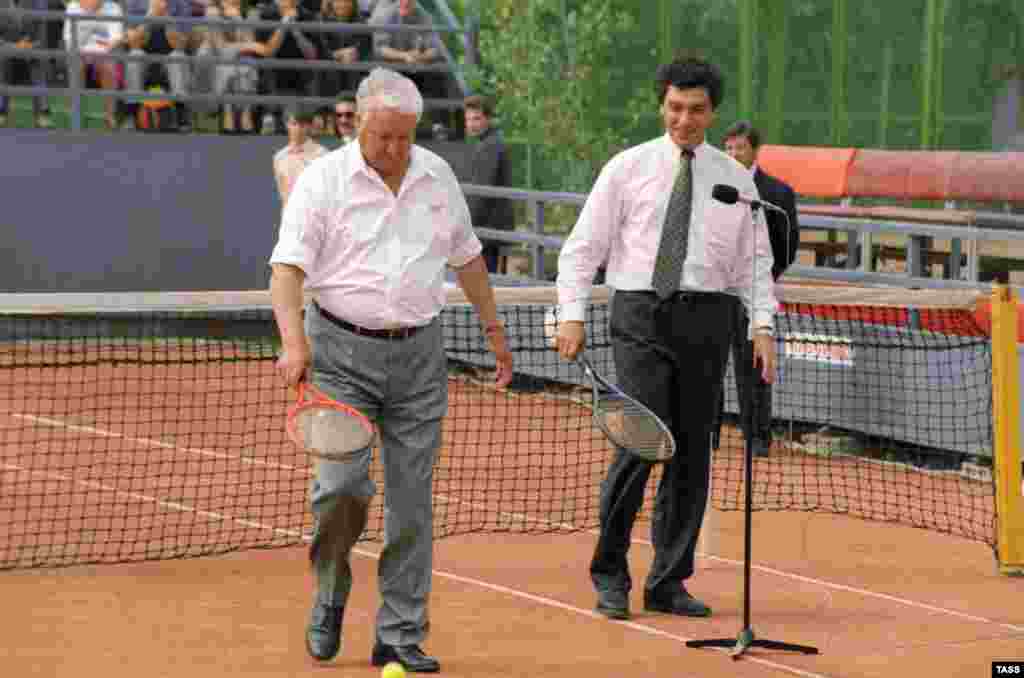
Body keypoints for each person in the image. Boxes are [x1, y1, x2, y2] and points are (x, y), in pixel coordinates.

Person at [269, 67, 513, 673]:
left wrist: (495, 331)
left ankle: (400, 634)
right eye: (384, 137)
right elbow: (287, 271)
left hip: (420, 358)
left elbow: (470, 258)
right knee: (340, 490)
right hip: (338, 355)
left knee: (412, 503)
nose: (396, 149)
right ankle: (329, 589)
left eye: (405, 137)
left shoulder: (436, 176)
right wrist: (293, 344)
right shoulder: (322, 181)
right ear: (358, 123)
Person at [554, 57, 777, 621]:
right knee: (640, 442)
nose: (685, 119)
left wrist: (763, 326)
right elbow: (582, 249)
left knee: (693, 454)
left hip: (709, 320)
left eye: (696, 109)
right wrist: (571, 315)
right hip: (639, 314)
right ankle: (610, 574)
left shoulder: (735, 178)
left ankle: (668, 581)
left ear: (712, 112)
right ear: (662, 105)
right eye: (675, 108)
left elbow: (755, 262)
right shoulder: (626, 169)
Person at [722, 120, 800, 457]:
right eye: (728, 147)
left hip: (753, 293)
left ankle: (757, 437)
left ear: (754, 149)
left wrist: (762, 279)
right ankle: (706, 435)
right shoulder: (713, 186)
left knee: (752, 363)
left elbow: (787, 246)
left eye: (739, 147)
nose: (733, 153)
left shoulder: (778, 193)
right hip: (713, 291)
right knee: (706, 365)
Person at [463, 95, 513, 274]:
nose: (471, 124)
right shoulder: (488, 143)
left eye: (476, 119)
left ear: (488, 119)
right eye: (468, 119)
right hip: (488, 232)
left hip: (488, 233)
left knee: (486, 284)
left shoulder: (490, 146)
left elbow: (481, 193)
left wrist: (464, 227)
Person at [63, 0, 124, 129]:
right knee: (75, 64)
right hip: (79, 51)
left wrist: (105, 49)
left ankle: (110, 115)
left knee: (109, 66)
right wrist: (82, 52)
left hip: (104, 52)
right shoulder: (72, 7)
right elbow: (69, 39)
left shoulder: (114, 8)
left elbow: (116, 38)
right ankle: (76, 113)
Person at [0, 0, 56, 128]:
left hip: (32, 45)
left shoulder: (40, 2)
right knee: (2, 61)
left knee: (40, 59)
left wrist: (29, 46)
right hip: (5, 47)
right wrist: (13, 47)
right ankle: (1, 111)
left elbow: (43, 34)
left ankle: (43, 113)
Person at [273, 107, 327, 205]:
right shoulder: (279, 157)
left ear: (309, 126)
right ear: (287, 125)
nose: (297, 129)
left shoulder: (322, 154)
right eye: (294, 124)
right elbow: (283, 192)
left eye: (302, 125)